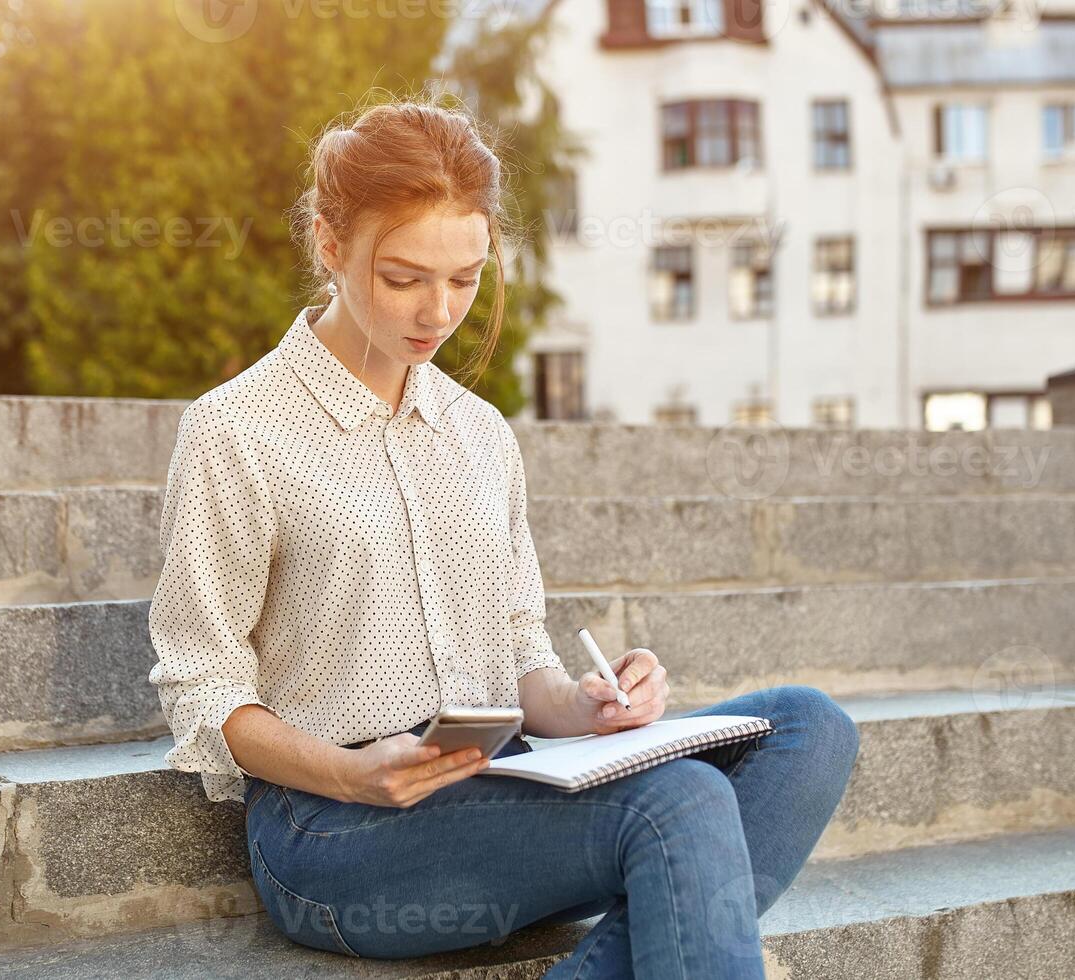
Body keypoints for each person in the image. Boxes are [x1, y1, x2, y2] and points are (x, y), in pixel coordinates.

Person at [147, 95, 859, 978]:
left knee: (808, 728)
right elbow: (203, 683)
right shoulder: (238, 429)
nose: (438, 311)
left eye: (465, 277)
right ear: (330, 245)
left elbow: (521, 658)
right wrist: (352, 771)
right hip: (334, 830)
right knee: (679, 805)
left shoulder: (481, 433)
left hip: (505, 784)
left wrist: (590, 706)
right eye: (404, 277)